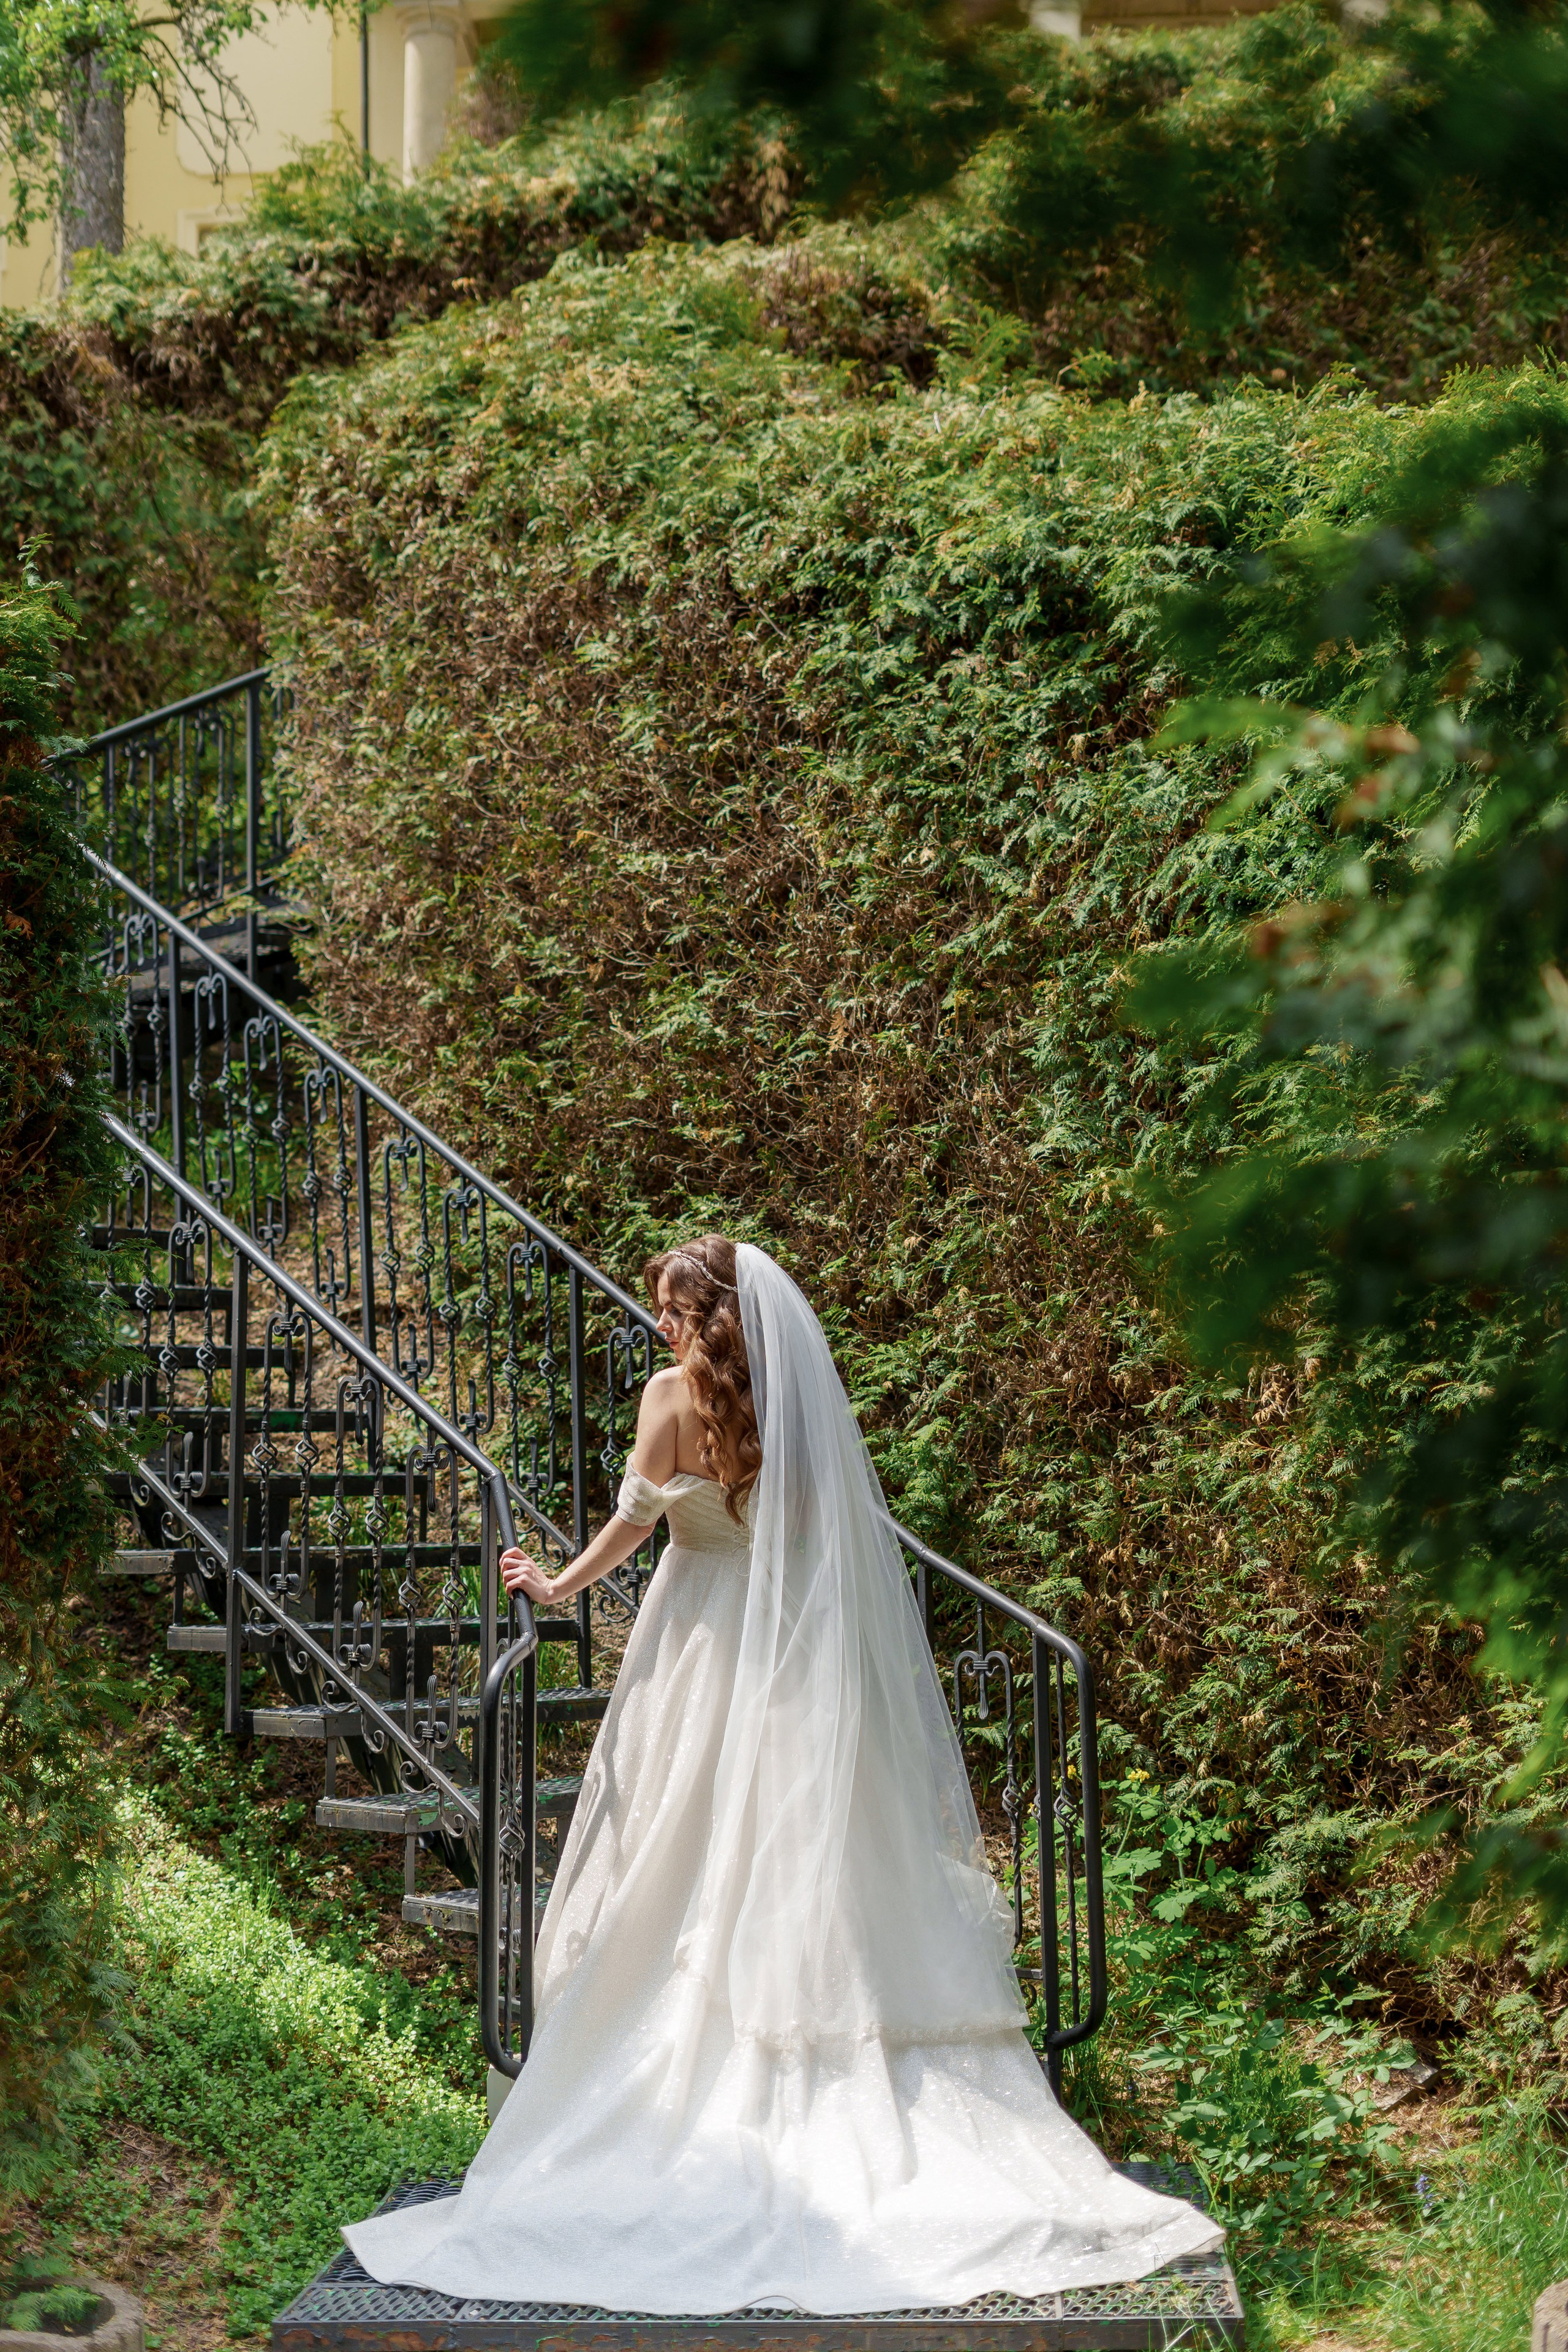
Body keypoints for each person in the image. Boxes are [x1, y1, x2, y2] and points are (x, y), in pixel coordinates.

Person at [343, 1237, 1221, 2315]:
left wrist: (555, 1583)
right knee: (794, 1848)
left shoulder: (671, 1400)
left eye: (670, 1308)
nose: (658, 1324)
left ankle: (679, 2073)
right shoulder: (786, 1404)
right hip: (786, 1652)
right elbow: (815, 1543)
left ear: (703, 1315)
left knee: (675, 1839)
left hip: (699, 1642)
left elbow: (634, 1526)